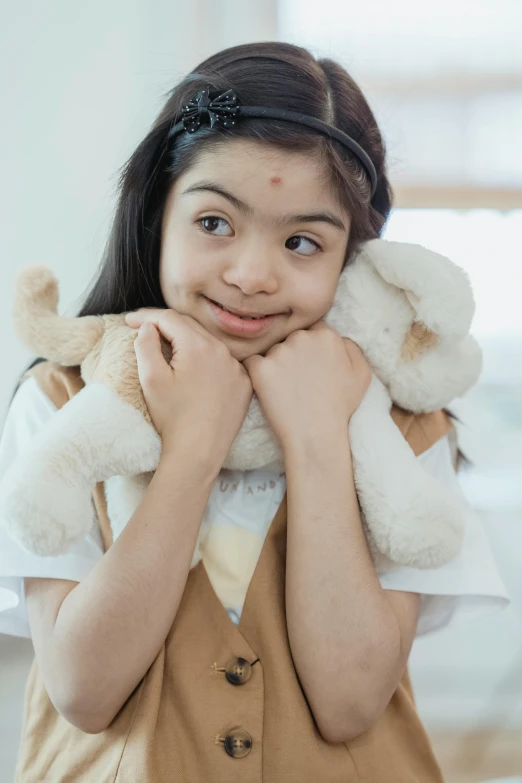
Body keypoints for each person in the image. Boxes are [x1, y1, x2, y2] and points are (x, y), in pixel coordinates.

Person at [0, 41, 509, 782]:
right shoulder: (64, 404)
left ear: (352, 259)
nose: (251, 275)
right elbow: (83, 687)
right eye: (215, 223)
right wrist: (192, 449)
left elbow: (350, 700)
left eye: (303, 241)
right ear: (157, 214)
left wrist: (317, 439)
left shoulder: (403, 431)